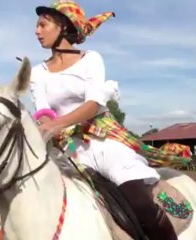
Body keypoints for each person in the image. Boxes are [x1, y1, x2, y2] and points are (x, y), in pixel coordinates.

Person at [29, 1, 182, 239]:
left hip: (103, 142)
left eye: (42, 25)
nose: (37, 31)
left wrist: (58, 123)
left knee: (140, 203)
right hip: (68, 148)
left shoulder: (91, 59)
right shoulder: (37, 72)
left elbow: (94, 104)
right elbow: (43, 112)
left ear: (63, 26)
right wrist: (44, 127)